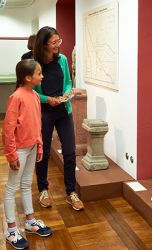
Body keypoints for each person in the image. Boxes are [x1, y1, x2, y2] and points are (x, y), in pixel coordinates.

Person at [3, 59, 52, 250]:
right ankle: (11, 229)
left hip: (32, 147)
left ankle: (30, 221)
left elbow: (37, 124)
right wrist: (11, 154)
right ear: (28, 77)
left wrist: (39, 145)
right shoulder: (17, 97)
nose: (42, 76)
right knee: (11, 188)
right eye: (39, 73)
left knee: (26, 185)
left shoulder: (35, 96)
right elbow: (8, 129)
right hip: (19, 150)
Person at [33, 26, 84, 211]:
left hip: (64, 111)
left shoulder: (62, 59)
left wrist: (66, 93)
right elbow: (30, 92)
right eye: (54, 42)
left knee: (70, 152)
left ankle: (71, 192)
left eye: (59, 41)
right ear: (44, 44)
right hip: (44, 113)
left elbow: (69, 81)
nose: (58, 45)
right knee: (43, 153)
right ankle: (43, 189)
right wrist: (48, 99)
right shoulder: (34, 63)